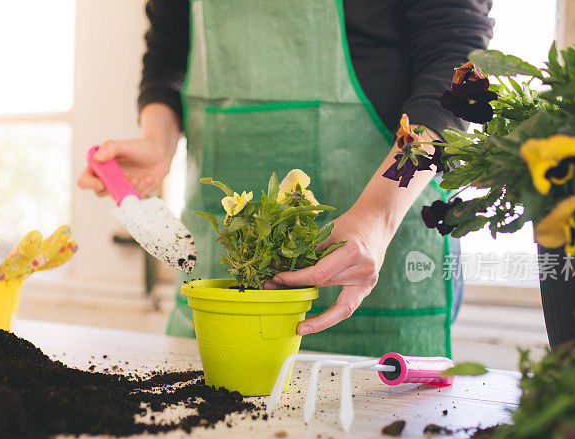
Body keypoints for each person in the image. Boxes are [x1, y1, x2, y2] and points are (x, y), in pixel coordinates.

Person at [79, 0, 493, 358]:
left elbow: (456, 71)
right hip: (219, 250)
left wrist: (377, 216)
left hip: (388, 215)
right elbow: (168, 57)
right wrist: (159, 140)